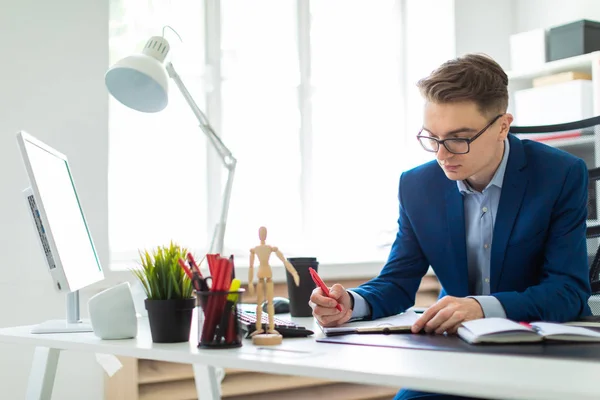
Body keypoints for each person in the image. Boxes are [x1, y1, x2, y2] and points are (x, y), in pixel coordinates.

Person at [309, 53, 592, 400]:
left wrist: (480, 306)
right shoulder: (417, 185)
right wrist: (351, 303)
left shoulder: (561, 174)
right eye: (433, 137)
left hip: (540, 346)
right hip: (456, 349)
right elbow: (398, 282)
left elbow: (568, 291)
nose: (443, 154)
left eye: (459, 138)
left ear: (503, 125)